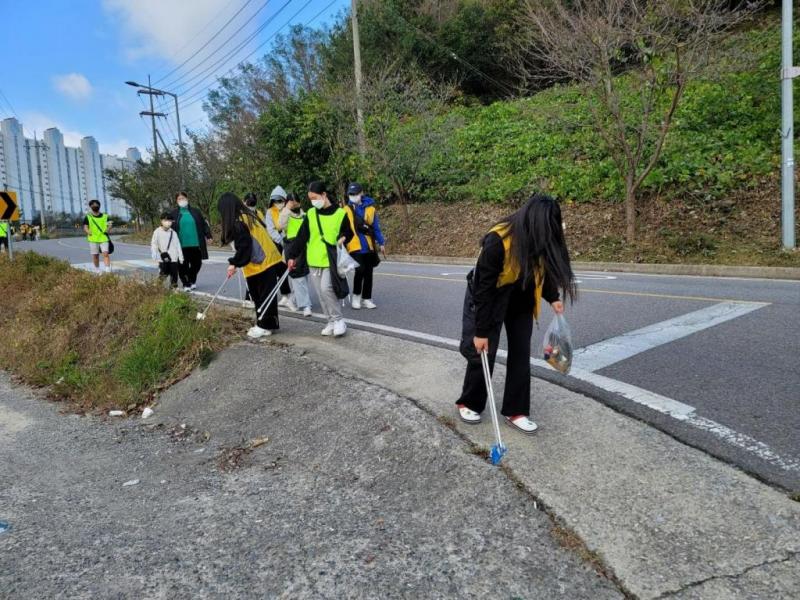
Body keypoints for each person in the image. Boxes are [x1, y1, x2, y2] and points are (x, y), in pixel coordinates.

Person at [456, 193, 577, 434]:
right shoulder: (498, 240)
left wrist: (552, 297)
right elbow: (483, 291)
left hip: (521, 295)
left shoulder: (539, 240)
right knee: (484, 350)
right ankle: (469, 402)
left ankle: (516, 410)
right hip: (490, 296)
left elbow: (541, 271)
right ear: (533, 223)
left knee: (521, 352)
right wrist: (481, 333)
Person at [286, 181, 354, 337]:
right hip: (313, 260)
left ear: (324, 195)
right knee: (320, 294)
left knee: (326, 289)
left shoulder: (340, 214)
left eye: (314, 197)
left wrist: (343, 238)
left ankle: (338, 320)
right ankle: (330, 321)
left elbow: (348, 232)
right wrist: (291, 256)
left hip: (330, 259)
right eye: (310, 199)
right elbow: (301, 237)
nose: (312, 201)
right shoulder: (310, 214)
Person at [219, 192, 286, 339]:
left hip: (260, 262)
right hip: (266, 258)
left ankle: (264, 326)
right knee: (265, 294)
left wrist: (233, 263)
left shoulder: (238, 221)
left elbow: (244, 246)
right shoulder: (248, 215)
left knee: (262, 296)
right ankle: (268, 325)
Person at [344, 182, 386, 310]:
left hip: (368, 245)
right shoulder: (346, 209)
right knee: (360, 270)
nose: (353, 196)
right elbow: (343, 228)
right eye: (351, 194)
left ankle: (367, 298)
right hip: (354, 245)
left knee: (369, 272)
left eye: (356, 193)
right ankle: (356, 297)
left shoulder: (371, 209)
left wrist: (381, 242)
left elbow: (376, 228)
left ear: (361, 193)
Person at [168, 191, 212, 292]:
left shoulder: (195, 212)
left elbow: (204, 224)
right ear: (176, 201)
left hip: (196, 243)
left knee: (197, 264)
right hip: (181, 245)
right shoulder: (174, 214)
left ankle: (191, 280)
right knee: (182, 265)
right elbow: (168, 227)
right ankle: (186, 283)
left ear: (187, 199)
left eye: (183, 198)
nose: (181, 200)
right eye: (179, 199)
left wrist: (208, 235)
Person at [280, 192, 313, 317]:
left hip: (304, 247)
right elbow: (281, 225)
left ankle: (292, 300)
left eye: (296, 202)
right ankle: (306, 305)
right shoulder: (286, 213)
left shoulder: (303, 214)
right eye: (292, 202)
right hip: (292, 247)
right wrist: (287, 208)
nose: (295, 204)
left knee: (301, 276)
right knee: (298, 276)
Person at [266, 185, 295, 310]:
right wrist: (281, 240)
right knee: (281, 270)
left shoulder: (290, 210)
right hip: (277, 244)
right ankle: (285, 295)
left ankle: (294, 295)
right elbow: (270, 229)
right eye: (276, 201)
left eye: (280, 200)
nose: (278, 203)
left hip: (291, 242)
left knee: (291, 269)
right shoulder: (269, 212)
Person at [151, 211, 184, 289]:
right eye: (166, 221)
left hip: (173, 257)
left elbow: (178, 245)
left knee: (174, 274)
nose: (168, 223)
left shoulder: (173, 232)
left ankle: (173, 289)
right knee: (164, 273)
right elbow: (154, 244)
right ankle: (156, 287)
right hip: (163, 257)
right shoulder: (157, 232)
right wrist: (154, 254)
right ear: (161, 221)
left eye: (170, 221)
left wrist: (181, 256)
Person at [83, 200, 112, 273]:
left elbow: (109, 225)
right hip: (93, 239)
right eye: (93, 205)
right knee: (95, 255)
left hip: (103, 238)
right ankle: (97, 269)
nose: (95, 206)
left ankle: (108, 270)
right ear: (90, 207)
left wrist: (108, 228)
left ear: (99, 206)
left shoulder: (105, 216)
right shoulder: (88, 217)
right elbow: (85, 227)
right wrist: (88, 232)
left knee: (105, 254)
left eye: (96, 205)